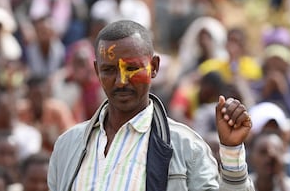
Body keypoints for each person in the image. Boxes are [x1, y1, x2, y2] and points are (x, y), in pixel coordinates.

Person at [48, 20, 255, 191]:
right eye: (109, 70)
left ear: (154, 67)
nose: (121, 81)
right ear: (96, 70)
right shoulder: (68, 146)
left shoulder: (186, 147)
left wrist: (231, 152)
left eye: (132, 68)